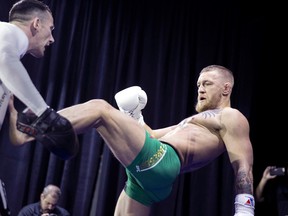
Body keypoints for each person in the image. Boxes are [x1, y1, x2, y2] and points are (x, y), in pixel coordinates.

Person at [9, 65, 255, 215]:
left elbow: (243, 166)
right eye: (199, 84)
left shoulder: (232, 117)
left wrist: (244, 211)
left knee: (100, 110)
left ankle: (31, 127)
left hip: (162, 161)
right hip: (153, 177)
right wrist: (134, 115)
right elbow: (151, 135)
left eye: (207, 84)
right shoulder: (192, 122)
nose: (200, 89)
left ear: (226, 88)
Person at [0, 0, 78, 160]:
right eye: (50, 29)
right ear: (36, 24)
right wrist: (45, 114)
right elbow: (4, 58)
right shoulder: (8, 31)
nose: (52, 39)